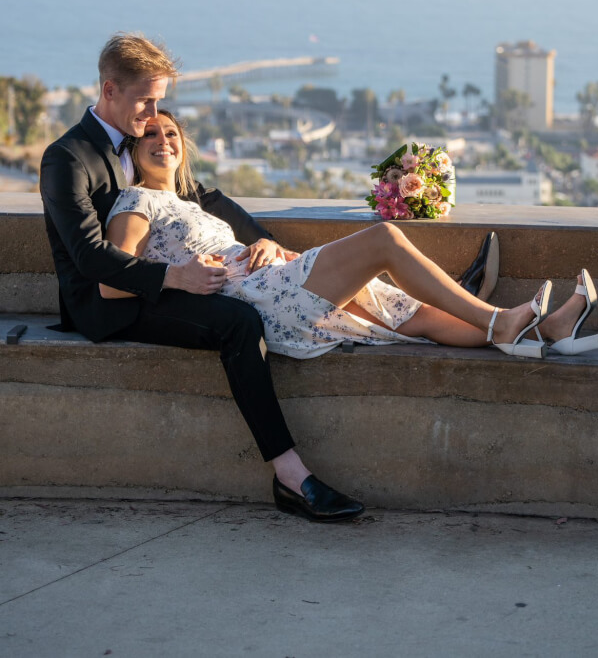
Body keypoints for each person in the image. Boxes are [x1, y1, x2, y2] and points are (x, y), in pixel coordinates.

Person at [40, 33, 366, 523]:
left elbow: (202, 197)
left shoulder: (138, 141)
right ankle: (292, 478)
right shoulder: (67, 157)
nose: (155, 115)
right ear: (110, 90)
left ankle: (427, 310)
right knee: (237, 321)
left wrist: (267, 242)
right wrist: (175, 277)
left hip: (167, 279)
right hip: (108, 303)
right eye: (146, 100)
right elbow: (89, 259)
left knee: (281, 286)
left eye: (160, 102)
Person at [101, 110, 598, 374]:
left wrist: (269, 247)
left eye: (172, 134)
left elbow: (240, 246)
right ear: (133, 149)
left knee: (415, 316)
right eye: (151, 135)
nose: (163, 140)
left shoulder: (193, 203)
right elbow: (114, 283)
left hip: (273, 278)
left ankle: (548, 333)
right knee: (383, 239)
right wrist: (183, 279)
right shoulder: (134, 202)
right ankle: (502, 320)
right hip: (255, 300)